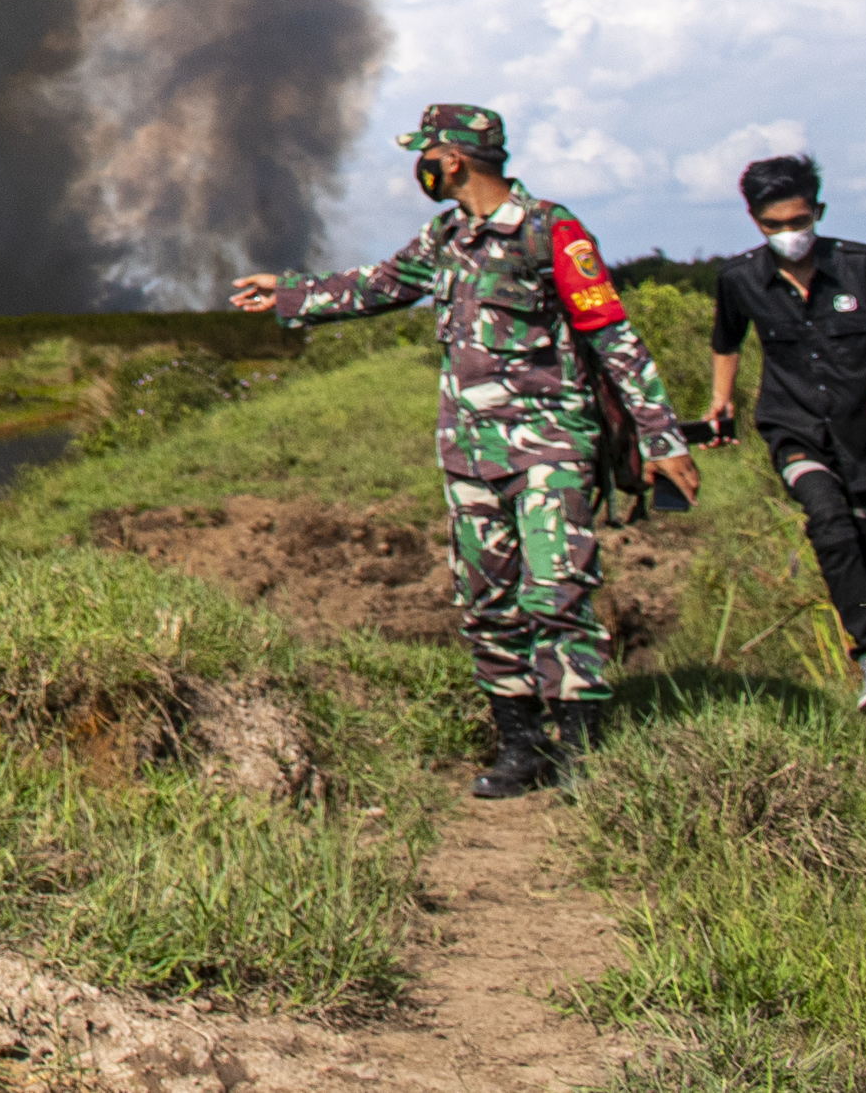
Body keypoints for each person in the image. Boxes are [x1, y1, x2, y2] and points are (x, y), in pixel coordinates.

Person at [231, 102, 699, 797]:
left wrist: (662, 438)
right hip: (469, 456)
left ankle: (582, 752)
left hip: (548, 448)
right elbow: (379, 285)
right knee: (487, 603)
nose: (420, 168)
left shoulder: (550, 231)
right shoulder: (445, 236)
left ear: (452, 159)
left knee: (557, 594)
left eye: (424, 155)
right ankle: (520, 746)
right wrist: (292, 292)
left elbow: (613, 335)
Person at [704, 153, 866, 718]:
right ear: (754, 220)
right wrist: (720, 398)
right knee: (828, 521)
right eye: (774, 225)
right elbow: (727, 342)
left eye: (799, 220)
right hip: (794, 429)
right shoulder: (740, 278)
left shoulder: (864, 265)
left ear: (819, 211)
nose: (789, 234)